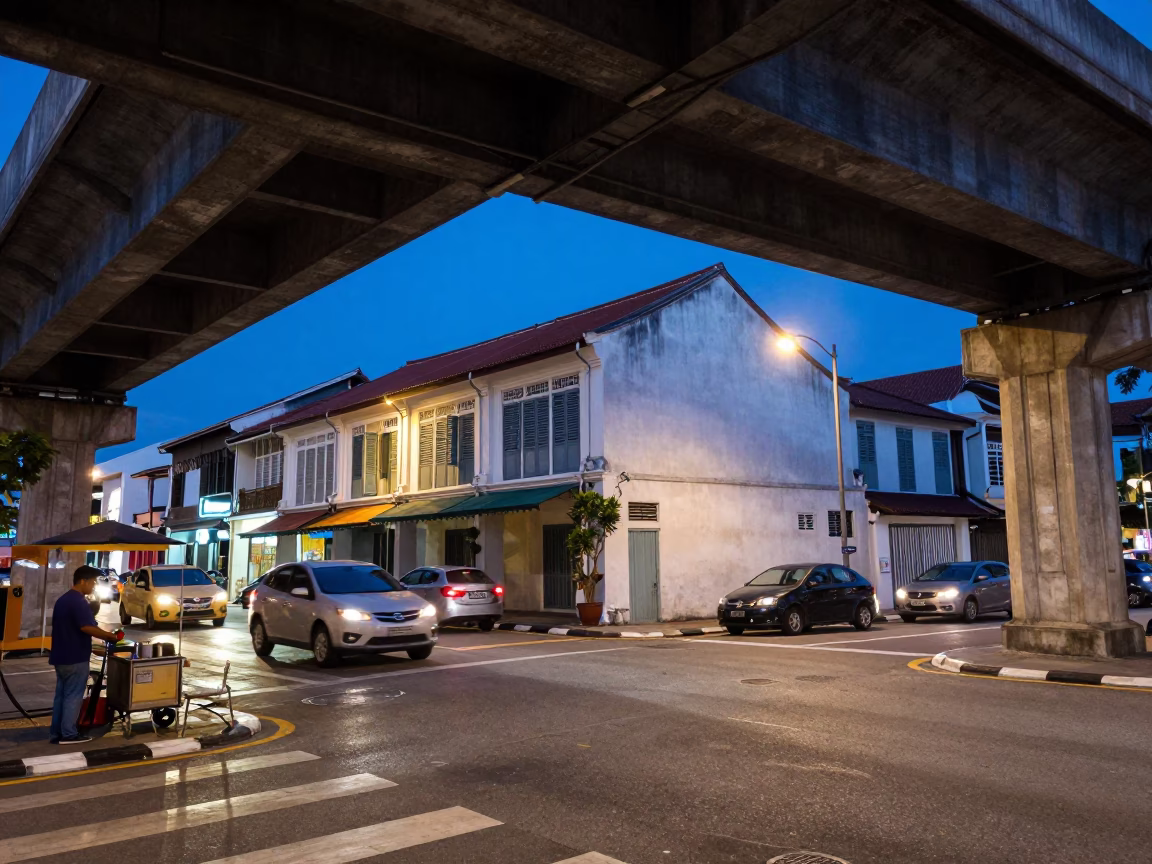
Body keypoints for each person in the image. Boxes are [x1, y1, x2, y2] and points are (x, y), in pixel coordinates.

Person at [49, 565, 122, 745]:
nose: (94, 586)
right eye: (93, 582)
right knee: (73, 696)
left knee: (62, 696)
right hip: (75, 657)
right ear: (83, 581)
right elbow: (86, 627)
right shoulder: (78, 601)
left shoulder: (63, 600)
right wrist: (110, 636)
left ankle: (56, 732)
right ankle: (69, 734)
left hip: (61, 656)